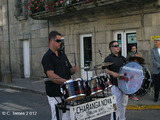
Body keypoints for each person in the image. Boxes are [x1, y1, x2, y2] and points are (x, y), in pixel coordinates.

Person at [41, 31, 78, 120]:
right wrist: (66, 82)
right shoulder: (47, 57)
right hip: (55, 93)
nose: (60, 43)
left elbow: (69, 70)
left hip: (66, 92)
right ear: (51, 41)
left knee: (68, 116)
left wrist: (73, 69)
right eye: (58, 41)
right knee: (57, 117)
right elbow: (51, 75)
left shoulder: (62, 55)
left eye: (61, 41)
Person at [104, 41, 128, 120]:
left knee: (124, 104)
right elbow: (105, 69)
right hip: (115, 85)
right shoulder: (108, 58)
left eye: (118, 45)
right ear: (111, 48)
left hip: (124, 84)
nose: (118, 47)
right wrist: (113, 73)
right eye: (116, 46)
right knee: (116, 105)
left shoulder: (122, 57)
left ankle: (122, 118)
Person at [151, 38, 160, 102]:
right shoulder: (153, 50)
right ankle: (156, 97)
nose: (155, 43)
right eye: (155, 42)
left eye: (156, 42)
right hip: (156, 70)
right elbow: (152, 59)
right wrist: (158, 65)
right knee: (156, 85)